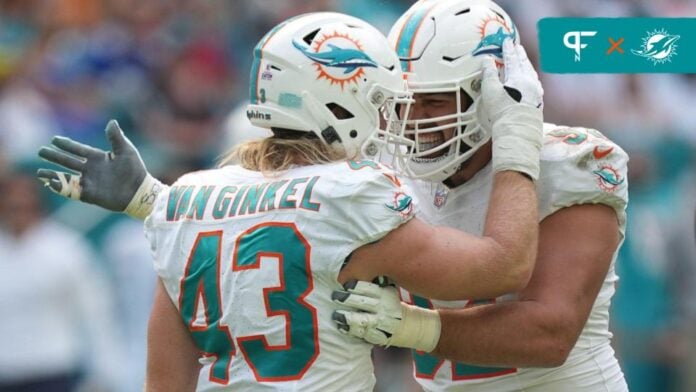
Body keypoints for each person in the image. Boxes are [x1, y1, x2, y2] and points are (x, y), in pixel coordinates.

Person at [37, 11, 544, 390]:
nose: (393, 121)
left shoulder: (183, 199)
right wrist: (517, 133)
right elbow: (503, 268)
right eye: (382, 103)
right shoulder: (352, 194)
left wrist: (157, 203)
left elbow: (166, 379)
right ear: (340, 101)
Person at [330, 0, 630, 391]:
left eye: (435, 100)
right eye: (404, 102)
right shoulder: (386, 171)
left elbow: (548, 333)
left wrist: (409, 326)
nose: (415, 120)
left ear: (493, 94)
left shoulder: (569, 162)